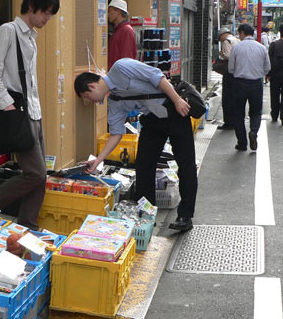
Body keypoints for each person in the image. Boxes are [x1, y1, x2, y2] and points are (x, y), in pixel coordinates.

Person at [74, 58, 197, 232]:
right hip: (151, 120)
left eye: (87, 97)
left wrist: (177, 100)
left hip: (173, 110)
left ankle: (185, 216)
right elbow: (116, 134)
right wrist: (98, 160)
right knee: (143, 165)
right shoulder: (114, 102)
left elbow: (157, 77)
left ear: (92, 87)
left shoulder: (121, 67)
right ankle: (146, 214)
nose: (91, 101)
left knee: (186, 164)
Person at [0, 0, 60, 230]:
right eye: (45, 12)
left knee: (41, 175)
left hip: (32, 112)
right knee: (35, 174)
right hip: (17, 113)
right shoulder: (8, 31)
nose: (47, 18)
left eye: (50, 13)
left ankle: (28, 224)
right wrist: (6, 105)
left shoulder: (31, 38)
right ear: (31, 7)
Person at [228, 23, 271, 151]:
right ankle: (253, 132)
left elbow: (230, 68)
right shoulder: (262, 48)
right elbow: (267, 68)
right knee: (256, 112)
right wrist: (258, 73)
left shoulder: (236, 48)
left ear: (242, 33)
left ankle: (242, 143)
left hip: (239, 83)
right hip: (256, 83)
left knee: (238, 113)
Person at [217, 28, 240, 129]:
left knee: (227, 98)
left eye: (219, 38)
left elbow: (228, 56)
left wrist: (222, 54)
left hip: (229, 72)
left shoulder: (227, 41)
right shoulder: (237, 40)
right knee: (234, 97)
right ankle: (235, 121)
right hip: (238, 72)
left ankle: (228, 122)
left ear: (223, 35)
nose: (220, 40)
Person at [107, 0, 137, 69]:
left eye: (110, 11)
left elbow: (126, 58)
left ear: (118, 11)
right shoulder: (119, 30)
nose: (108, 14)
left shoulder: (126, 30)